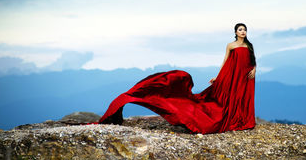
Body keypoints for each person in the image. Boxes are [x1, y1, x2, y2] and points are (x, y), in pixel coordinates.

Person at [98, 23, 256, 134]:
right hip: (232, 74)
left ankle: (242, 118)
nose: (242, 32)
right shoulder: (231, 45)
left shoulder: (249, 45)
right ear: (235, 32)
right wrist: (218, 76)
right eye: (240, 30)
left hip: (246, 76)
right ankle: (233, 118)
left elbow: (253, 59)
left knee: (242, 97)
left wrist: (255, 69)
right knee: (227, 98)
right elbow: (225, 61)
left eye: (244, 30)